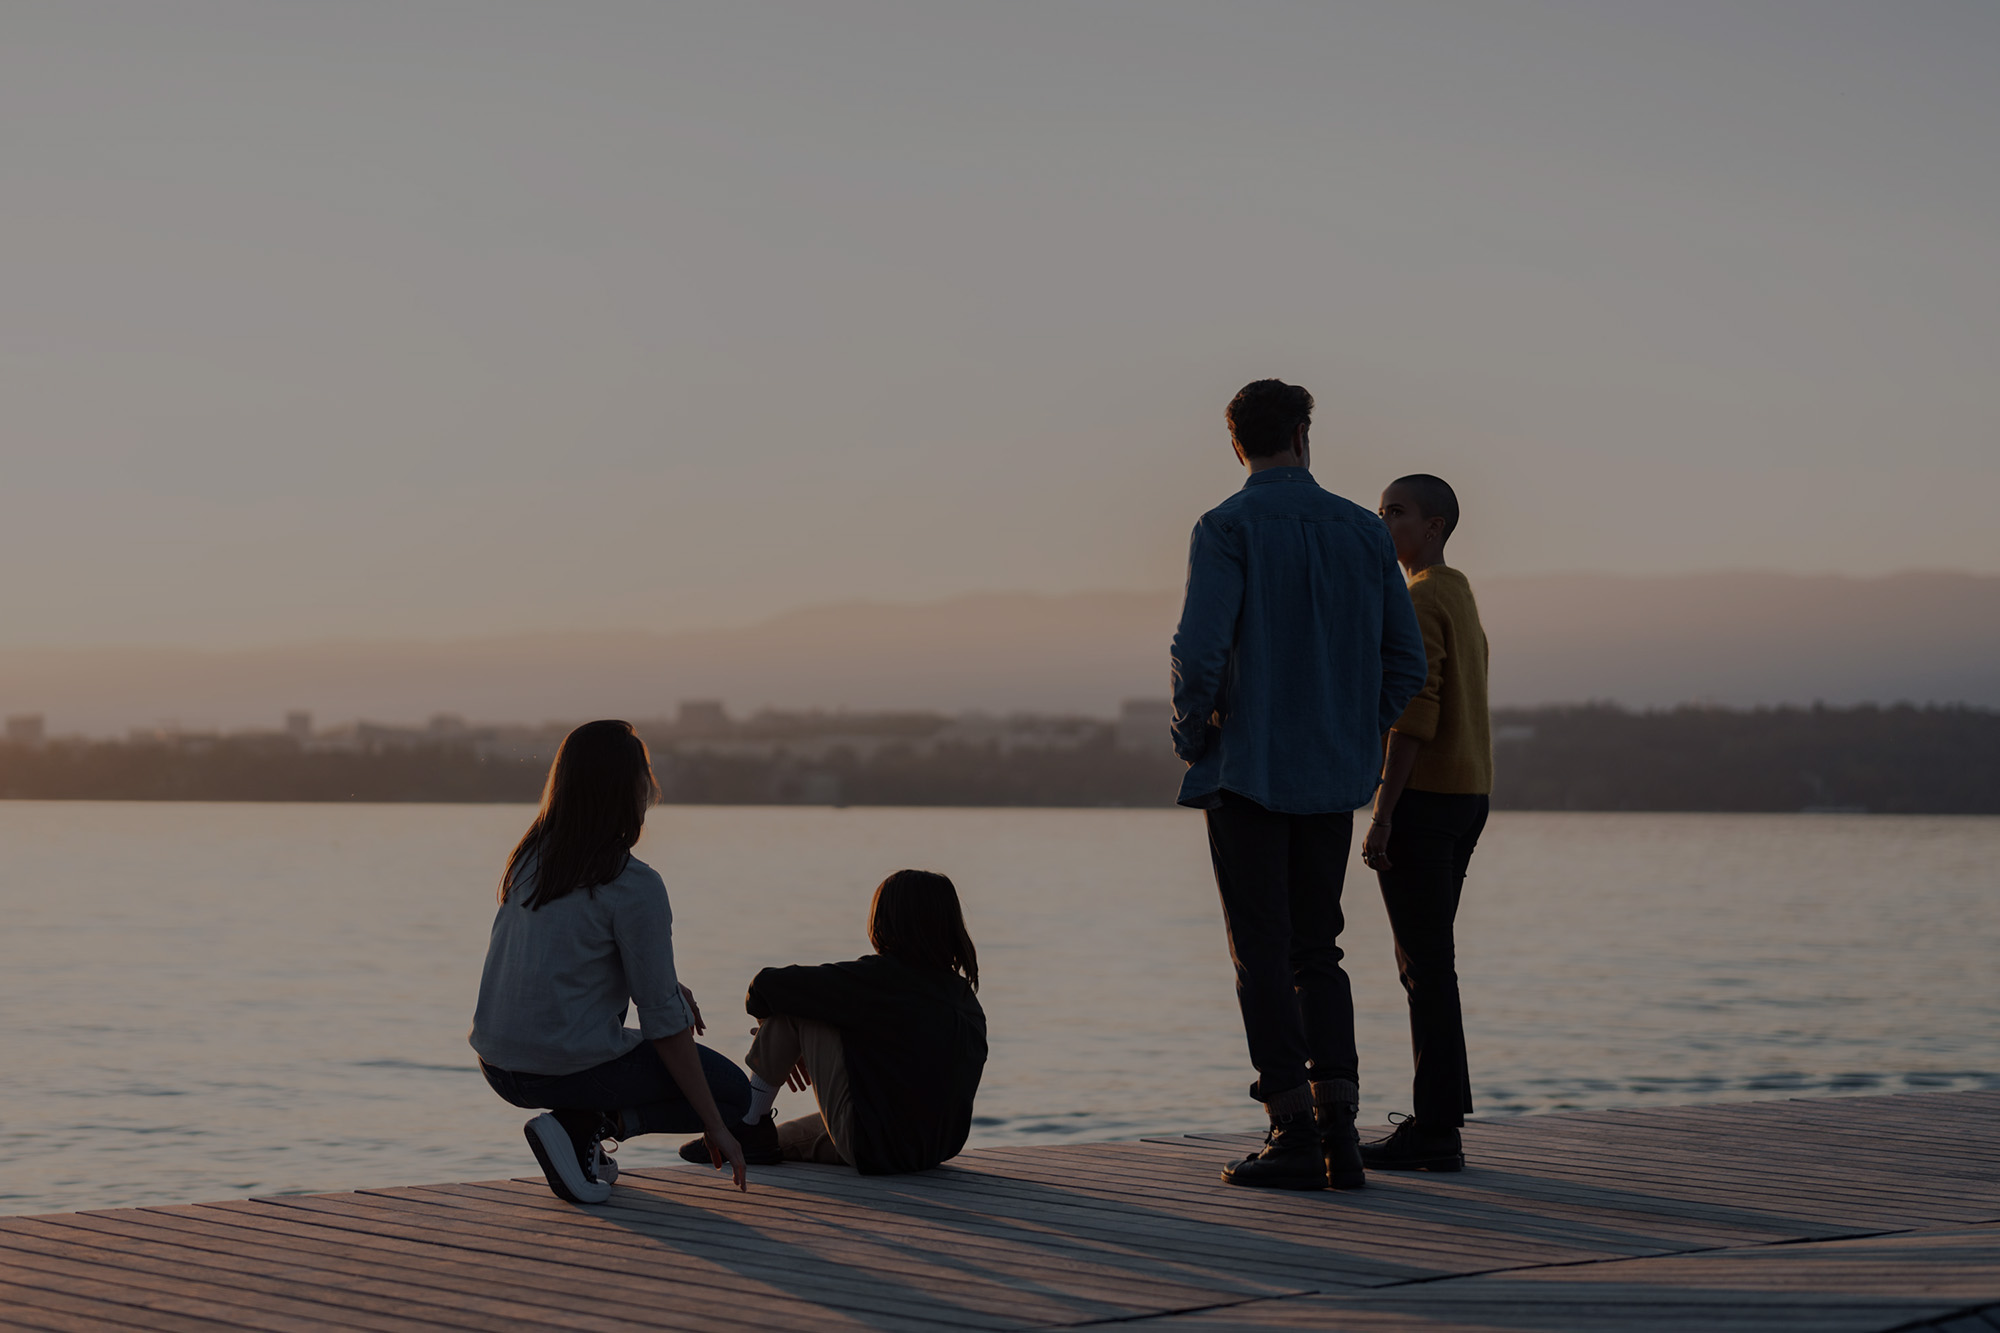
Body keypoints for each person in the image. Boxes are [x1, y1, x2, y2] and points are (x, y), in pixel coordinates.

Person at [1171, 379, 1428, 1191]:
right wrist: (1355, 729)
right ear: (1304, 434)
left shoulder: (1226, 526)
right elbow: (1406, 663)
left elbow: (1200, 651)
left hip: (1247, 770)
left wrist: (1192, 734)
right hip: (1331, 773)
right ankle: (1342, 1131)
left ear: (1237, 443)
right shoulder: (1363, 531)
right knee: (1321, 948)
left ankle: (1290, 1126)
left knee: (1262, 953)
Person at [470, 719, 752, 1204]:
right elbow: (663, 1024)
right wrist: (714, 1125)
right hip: (561, 1068)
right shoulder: (632, 884)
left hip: (497, 1065)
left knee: (640, 1039)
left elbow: (568, 957)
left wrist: (667, 985)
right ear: (630, 788)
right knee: (732, 1095)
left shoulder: (529, 860)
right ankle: (583, 1126)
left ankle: (582, 1139)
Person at [678, 869, 987, 1174]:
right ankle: (745, 1140)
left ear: (885, 919)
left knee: (797, 1003)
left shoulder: (875, 981)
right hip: (932, 1149)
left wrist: (773, 1029)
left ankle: (749, 1122)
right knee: (783, 1140)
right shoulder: (963, 998)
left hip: (873, 1146)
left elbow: (765, 986)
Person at [1361, 474, 1492, 1173]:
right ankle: (1440, 1118)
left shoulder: (1419, 596)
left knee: (1425, 968)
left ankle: (1436, 1129)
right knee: (1433, 965)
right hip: (1470, 795)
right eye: (1381, 512)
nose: (1384, 524)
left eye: (1397, 513)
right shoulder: (1460, 591)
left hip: (1429, 799)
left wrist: (1383, 814)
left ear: (1435, 524)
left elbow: (1416, 712)